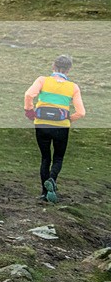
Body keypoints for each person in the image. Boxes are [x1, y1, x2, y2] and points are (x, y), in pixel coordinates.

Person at [24, 55, 86, 203]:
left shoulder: (42, 80)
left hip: (42, 124)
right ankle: (52, 180)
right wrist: (69, 118)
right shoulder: (73, 87)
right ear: (69, 69)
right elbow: (81, 112)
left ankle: (45, 193)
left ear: (53, 66)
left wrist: (29, 111)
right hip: (61, 127)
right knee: (58, 158)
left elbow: (28, 95)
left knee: (45, 158)